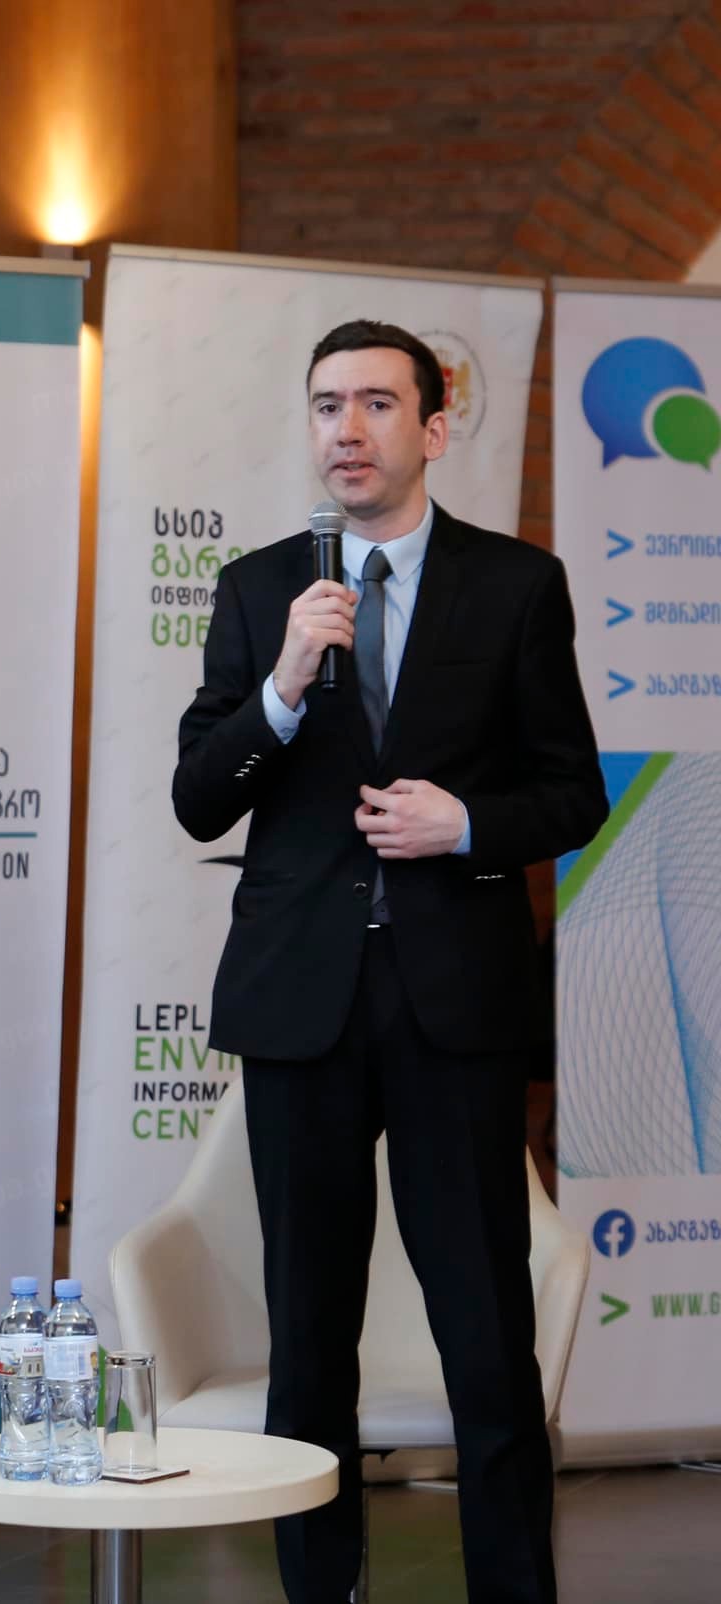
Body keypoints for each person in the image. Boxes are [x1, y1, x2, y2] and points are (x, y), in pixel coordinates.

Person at [173, 321, 606, 1604]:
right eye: (325, 405)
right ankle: (320, 1591)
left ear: (432, 425)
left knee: (485, 1335)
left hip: (450, 1005)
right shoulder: (259, 588)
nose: (345, 429)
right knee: (307, 1338)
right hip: (298, 1001)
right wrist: (282, 683)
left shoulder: (513, 584)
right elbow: (198, 798)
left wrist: (460, 823)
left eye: (373, 402)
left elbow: (570, 792)